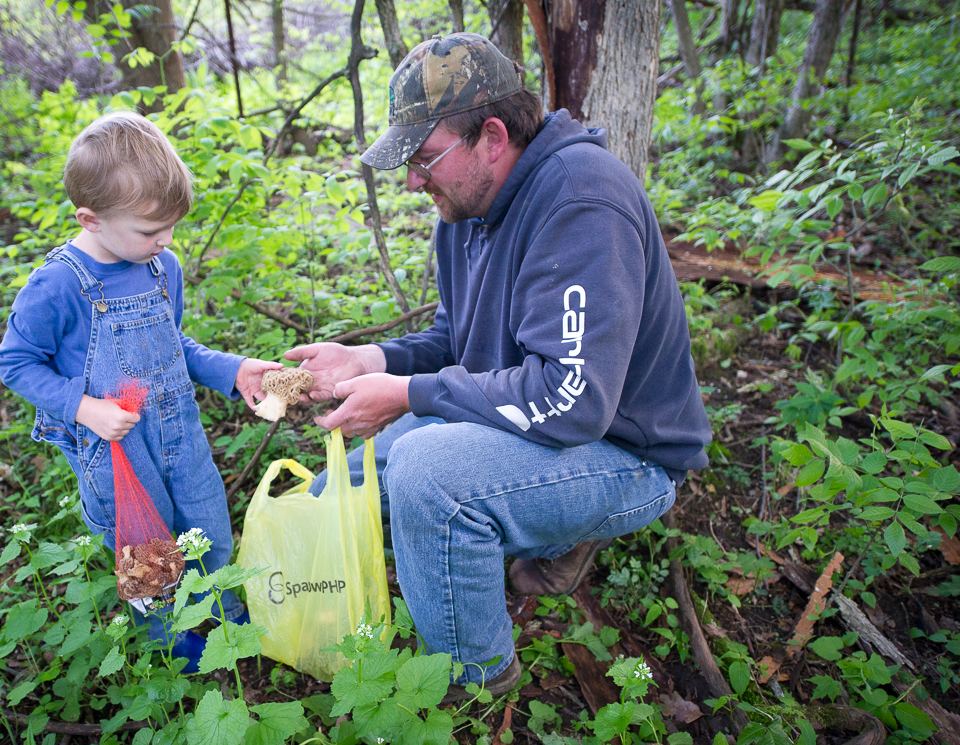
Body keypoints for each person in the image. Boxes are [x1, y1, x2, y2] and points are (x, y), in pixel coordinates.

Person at [286, 34, 711, 700]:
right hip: (535, 420)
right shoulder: (467, 206)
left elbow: (570, 400)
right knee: (353, 479)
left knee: (428, 473)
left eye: (424, 158)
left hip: (624, 450)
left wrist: (405, 392)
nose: (409, 181)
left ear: (491, 135)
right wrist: (370, 358)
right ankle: (536, 535)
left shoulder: (579, 203)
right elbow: (459, 340)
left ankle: (474, 685)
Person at [0, 111, 280, 671]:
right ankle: (175, 649)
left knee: (209, 534)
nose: (166, 241)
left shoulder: (159, 267)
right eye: (151, 230)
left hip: (181, 432)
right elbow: (15, 362)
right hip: (117, 451)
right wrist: (84, 407)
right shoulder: (59, 284)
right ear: (91, 219)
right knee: (150, 559)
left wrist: (234, 369)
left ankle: (224, 625)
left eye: (171, 227)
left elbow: (172, 345)